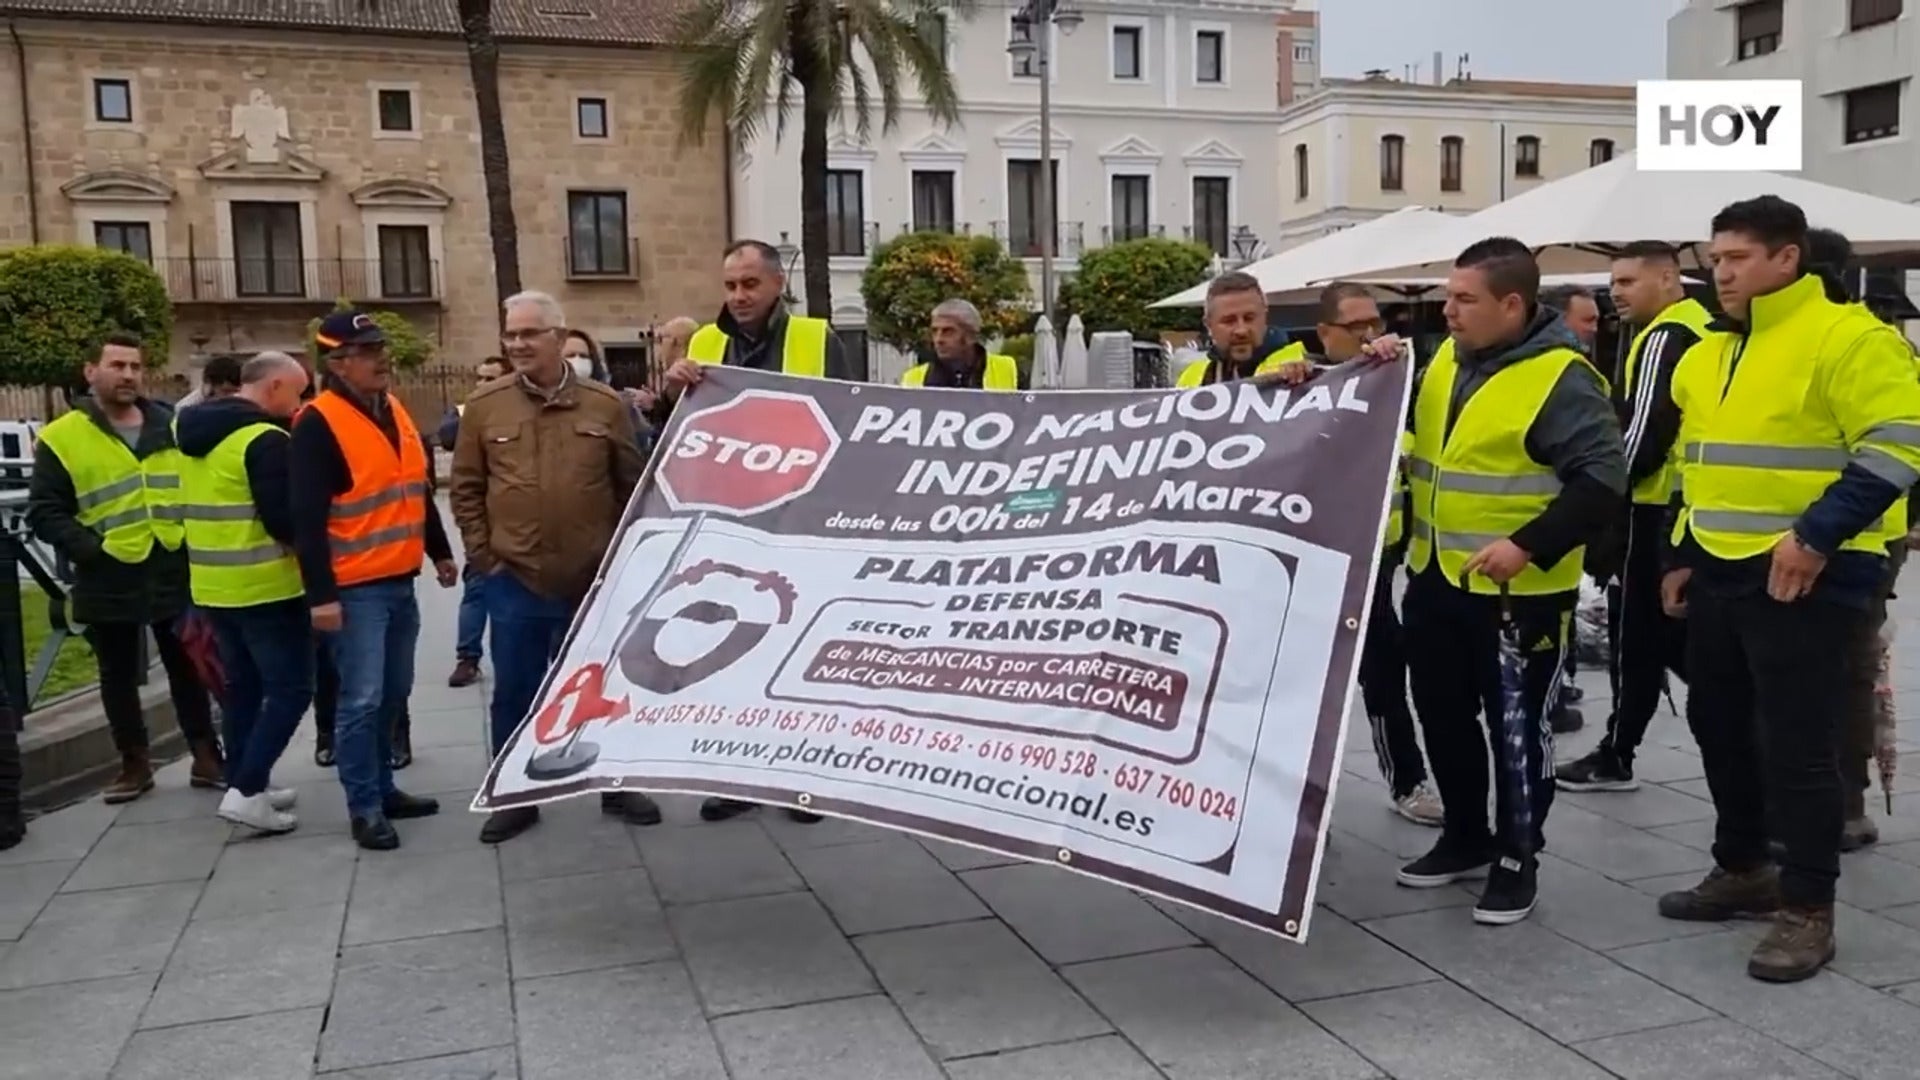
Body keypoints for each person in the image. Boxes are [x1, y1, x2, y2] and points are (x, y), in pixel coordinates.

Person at [1655, 196, 1920, 983]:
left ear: (1788, 258)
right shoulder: (1706, 348)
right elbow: (1690, 462)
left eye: (1738, 258)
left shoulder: (1848, 337)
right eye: (1715, 258)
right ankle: (1743, 867)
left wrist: (1815, 537)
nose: (1721, 272)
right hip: (1718, 565)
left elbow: (1898, 446)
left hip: (1814, 570)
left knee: (1798, 744)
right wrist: (1677, 548)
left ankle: (1808, 908)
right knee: (1718, 720)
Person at [1395, 237, 1626, 926]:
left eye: (1464, 300)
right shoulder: (1443, 361)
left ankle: (1517, 857)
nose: (1449, 311)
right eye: (1447, 296)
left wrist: (1527, 545)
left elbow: (1603, 482)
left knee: (1518, 730)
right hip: (1436, 576)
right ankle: (1465, 835)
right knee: (1441, 713)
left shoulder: (1563, 378)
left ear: (1513, 304)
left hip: (1517, 595)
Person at [660, 239, 855, 823]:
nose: (739, 296)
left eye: (749, 284)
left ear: (776, 286)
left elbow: (856, 421)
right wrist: (675, 390)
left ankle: (804, 779)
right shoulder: (705, 343)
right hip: (732, 527)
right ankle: (739, 776)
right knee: (733, 652)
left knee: (801, 655)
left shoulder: (817, 339)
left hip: (804, 525)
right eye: (730, 286)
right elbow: (684, 434)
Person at [455, 291, 657, 844]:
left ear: (557, 336)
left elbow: (632, 486)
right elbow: (467, 489)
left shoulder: (604, 404)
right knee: (515, 691)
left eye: (528, 333)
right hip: (515, 579)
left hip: (592, 582)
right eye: (510, 334)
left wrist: (622, 563)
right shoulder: (486, 406)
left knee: (603, 686)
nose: (517, 344)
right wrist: (486, 557)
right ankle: (516, 792)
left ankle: (615, 782)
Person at [28, 332, 223, 802]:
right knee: (117, 674)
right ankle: (134, 763)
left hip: (172, 562)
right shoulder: (62, 436)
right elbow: (44, 510)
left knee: (188, 665)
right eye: (117, 365)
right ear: (90, 371)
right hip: (107, 570)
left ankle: (205, 754)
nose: (128, 375)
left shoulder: (172, 423)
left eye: (135, 367)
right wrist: (89, 550)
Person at [291, 309, 454, 851]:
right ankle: (363, 806)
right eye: (367, 350)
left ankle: (384, 789)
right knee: (359, 700)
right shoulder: (317, 422)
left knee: (393, 692)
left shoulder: (395, 409)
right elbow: (307, 521)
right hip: (355, 590)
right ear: (338, 363)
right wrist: (321, 598)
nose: (382, 357)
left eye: (380, 345)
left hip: (400, 582)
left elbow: (416, 488)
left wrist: (440, 551)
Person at [1557, 242, 1713, 793]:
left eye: (1627, 281)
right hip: (1692, 508)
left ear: (1668, 278)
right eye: (1613, 282)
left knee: (1636, 640)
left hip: (1650, 512)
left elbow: (1637, 441)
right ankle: (1620, 748)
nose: (1615, 293)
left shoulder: (1664, 337)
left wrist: (1596, 502)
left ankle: (1617, 753)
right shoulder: (1706, 326)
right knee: (1672, 639)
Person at [1315, 282, 1442, 826]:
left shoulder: (1401, 379)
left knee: (1384, 673)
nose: (1371, 334)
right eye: (1356, 326)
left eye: (1376, 322)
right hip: (1304, 559)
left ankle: (1408, 781)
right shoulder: (1298, 379)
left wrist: (1400, 370)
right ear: (1325, 334)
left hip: (1372, 561)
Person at [174, 351, 313, 834]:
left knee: (243, 688)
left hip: (213, 585)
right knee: (293, 688)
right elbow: (283, 519)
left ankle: (243, 777)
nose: (298, 406)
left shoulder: (190, 430)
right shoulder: (265, 438)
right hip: (265, 586)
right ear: (274, 386)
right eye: (296, 393)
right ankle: (247, 788)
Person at [440, 356, 510, 689]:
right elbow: (447, 436)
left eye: (491, 378)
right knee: (477, 588)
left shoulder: (516, 410)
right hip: (484, 520)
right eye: (480, 377)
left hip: (518, 519)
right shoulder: (467, 411)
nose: (483, 384)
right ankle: (467, 658)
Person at [1173, 272, 1311, 388]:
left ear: (1265, 316)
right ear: (1208, 325)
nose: (1241, 330)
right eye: (1229, 321)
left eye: (1249, 318)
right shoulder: (1191, 377)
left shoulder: (1302, 366)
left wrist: (1305, 378)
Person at [900, 299, 1026, 389]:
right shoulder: (913, 379)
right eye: (934, 331)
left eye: (948, 331)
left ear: (971, 335)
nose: (938, 339)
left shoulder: (1008, 369)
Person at [175, 353, 245, 411]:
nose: (231, 397)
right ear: (208, 384)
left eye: (235, 392)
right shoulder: (184, 409)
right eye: (226, 391)